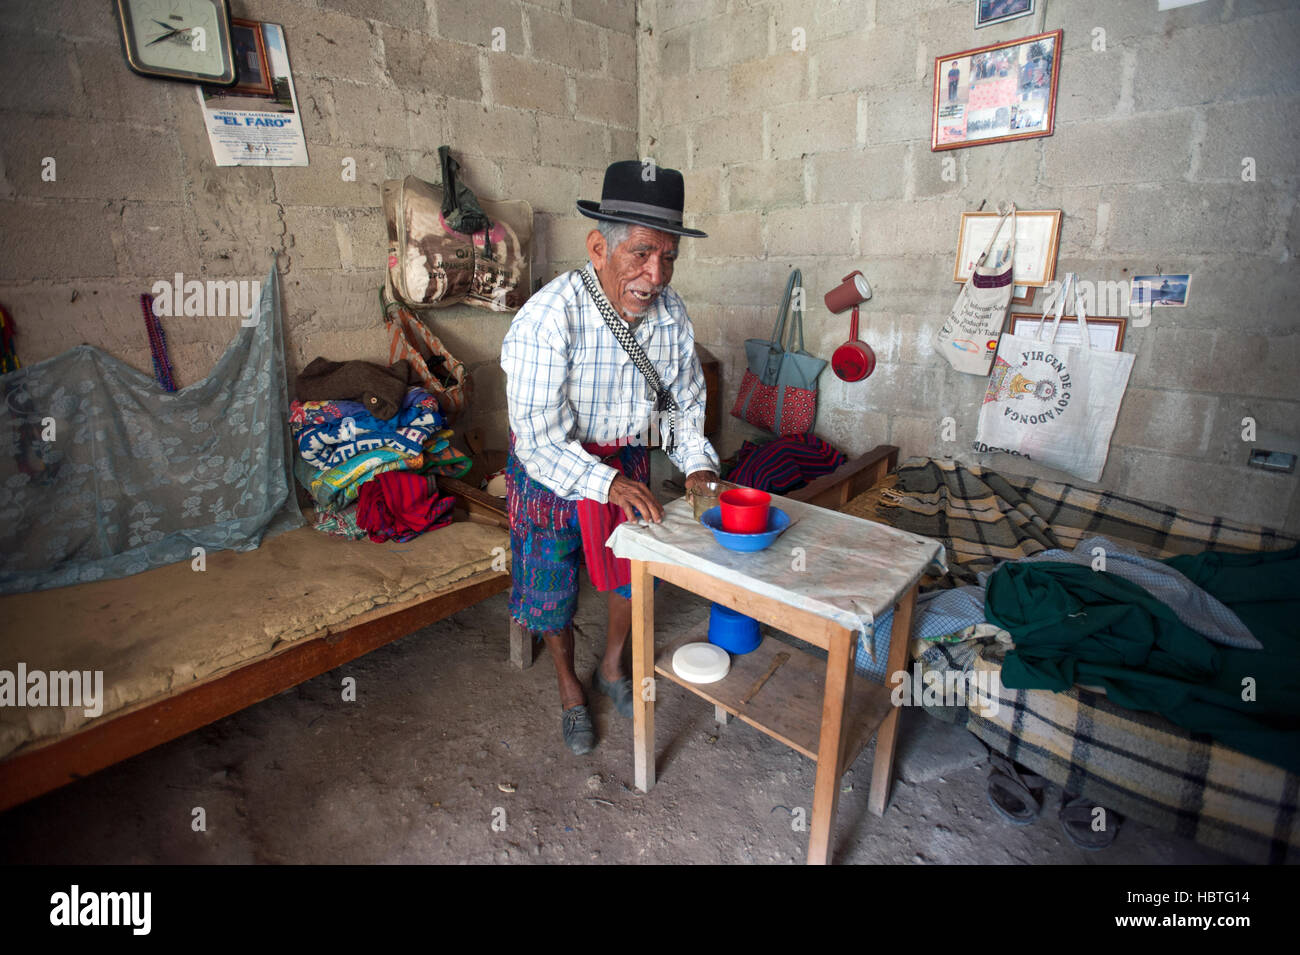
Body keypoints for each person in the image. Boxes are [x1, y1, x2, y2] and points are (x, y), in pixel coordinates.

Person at [500, 160, 720, 755]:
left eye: (669, 257)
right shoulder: (548, 321)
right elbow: (541, 441)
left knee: (632, 572)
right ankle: (571, 688)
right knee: (550, 583)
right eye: (642, 255)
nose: (657, 275)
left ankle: (613, 668)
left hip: (627, 457)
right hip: (554, 468)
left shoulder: (670, 314)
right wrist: (605, 482)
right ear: (599, 247)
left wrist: (697, 462)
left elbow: (682, 406)